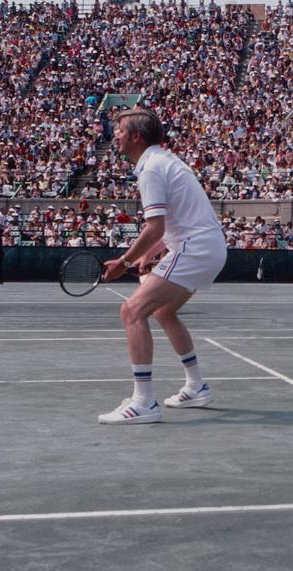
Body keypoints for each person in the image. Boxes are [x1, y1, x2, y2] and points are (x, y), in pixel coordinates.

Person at [99, 108, 227, 425]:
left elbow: (154, 227)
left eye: (119, 129)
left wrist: (124, 262)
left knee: (132, 311)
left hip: (195, 249)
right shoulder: (163, 161)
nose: (115, 135)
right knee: (162, 312)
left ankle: (143, 402)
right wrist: (149, 255)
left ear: (135, 137)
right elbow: (169, 225)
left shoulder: (152, 168)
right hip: (207, 247)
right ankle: (196, 386)